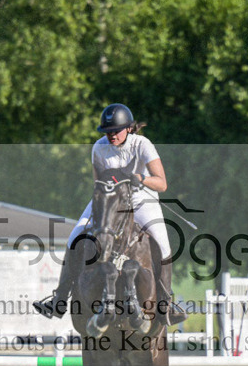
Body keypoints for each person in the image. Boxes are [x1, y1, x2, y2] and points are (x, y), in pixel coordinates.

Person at [34, 103, 186, 325]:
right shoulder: (99, 148)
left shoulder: (142, 145)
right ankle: (59, 298)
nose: (111, 136)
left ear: (128, 129)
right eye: (107, 132)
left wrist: (141, 179)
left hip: (141, 200)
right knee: (75, 236)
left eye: (115, 131)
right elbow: (98, 184)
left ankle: (165, 304)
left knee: (163, 244)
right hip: (109, 201)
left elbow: (162, 184)